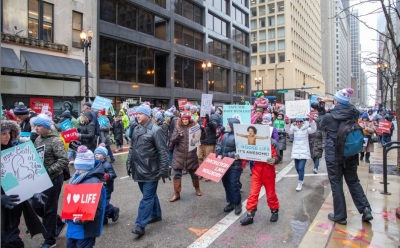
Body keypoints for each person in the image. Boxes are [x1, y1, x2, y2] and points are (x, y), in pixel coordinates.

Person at [318, 88, 373, 225]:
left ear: (336, 101)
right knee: (353, 181)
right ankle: (365, 209)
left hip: (334, 156)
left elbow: (320, 125)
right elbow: (348, 105)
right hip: (350, 153)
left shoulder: (329, 117)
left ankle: (340, 216)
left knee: (337, 184)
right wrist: (334, 100)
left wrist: (321, 109)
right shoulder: (353, 113)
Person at [126, 104, 169, 237]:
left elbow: (163, 152)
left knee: (146, 198)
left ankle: (140, 225)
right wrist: (129, 163)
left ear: (148, 115)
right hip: (138, 170)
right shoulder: (137, 128)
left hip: (151, 170)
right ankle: (156, 214)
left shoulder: (156, 130)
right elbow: (132, 148)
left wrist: (163, 170)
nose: (137, 115)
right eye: (136, 113)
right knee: (149, 195)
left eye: (140, 113)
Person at [1, 120, 45, 248]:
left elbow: (24, 176)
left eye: (9, 133)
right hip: (3, 205)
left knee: (12, 239)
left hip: (14, 204)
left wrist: (34, 191)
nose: (7, 136)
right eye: (3, 133)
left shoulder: (14, 151)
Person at [33, 112, 69, 248]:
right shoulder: (38, 139)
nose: (36, 128)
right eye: (35, 126)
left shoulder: (55, 140)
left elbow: (63, 160)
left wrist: (49, 170)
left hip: (53, 178)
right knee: (36, 205)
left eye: (39, 126)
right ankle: (58, 222)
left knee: (49, 208)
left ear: (46, 127)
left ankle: (49, 240)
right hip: (40, 178)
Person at [66, 145, 106, 248]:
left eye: (80, 169)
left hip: (85, 227)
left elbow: (97, 207)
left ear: (88, 167)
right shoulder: (77, 178)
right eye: (77, 168)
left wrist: (82, 219)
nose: (77, 171)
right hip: (73, 225)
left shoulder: (92, 182)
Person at [240, 140, 281, 225]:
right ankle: (250, 214)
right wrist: (240, 156)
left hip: (268, 171)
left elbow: (278, 157)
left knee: (270, 194)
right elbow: (248, 154)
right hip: (257, 171)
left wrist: (274, 160)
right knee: (253, 193)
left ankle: (274, 211)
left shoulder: (273, 143)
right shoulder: (254, 141)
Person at [169, 111, 203, 202]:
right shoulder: (178, 126)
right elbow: (172, 140)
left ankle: (197, 188)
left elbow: (202, 138)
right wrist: (178, 136)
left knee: (194, 174)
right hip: (179, 155)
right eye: (183, 119)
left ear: (189, 119)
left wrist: (202, 131)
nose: (184, 121)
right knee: (176, 175)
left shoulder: (194, 126)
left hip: (191, 155)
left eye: (186, 119)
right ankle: (176, 194)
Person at [216, 118, 243, 215]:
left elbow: (240, 151)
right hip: (224, 164)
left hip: (234, 165)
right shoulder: (225, 135)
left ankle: (237, 203)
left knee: (233, 184)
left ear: (233, 126)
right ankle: (230, 202)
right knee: (226, 183)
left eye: (228, 124)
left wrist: (228, 155)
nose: (226, 126)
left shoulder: (239, 137)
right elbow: (219, 144)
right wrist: (218, 150)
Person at [285, 116, 316, 191]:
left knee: (301, 167)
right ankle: (301, 177)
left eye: (300, 122)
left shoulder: (306, 129)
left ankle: (299, 183)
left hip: (304, 151)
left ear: (303, 122)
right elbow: (288, 130)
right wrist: (286, 123)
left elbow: (313, 130)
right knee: (297, 167)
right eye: (298, 121)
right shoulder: (294, 129)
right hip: (296, 151)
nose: (299, 123)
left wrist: (312, 122)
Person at [94, 144, 119, 224]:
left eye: (99, 154)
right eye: (95, 154)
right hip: (99, 187)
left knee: (104, 203)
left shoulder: (107, 165)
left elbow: (113, 174)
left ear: (104, 156)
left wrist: (108, 176)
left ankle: (113, 210)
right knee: (100, 203)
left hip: (107, 187)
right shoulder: (96, 164)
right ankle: (104, 218)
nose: (96, 155)